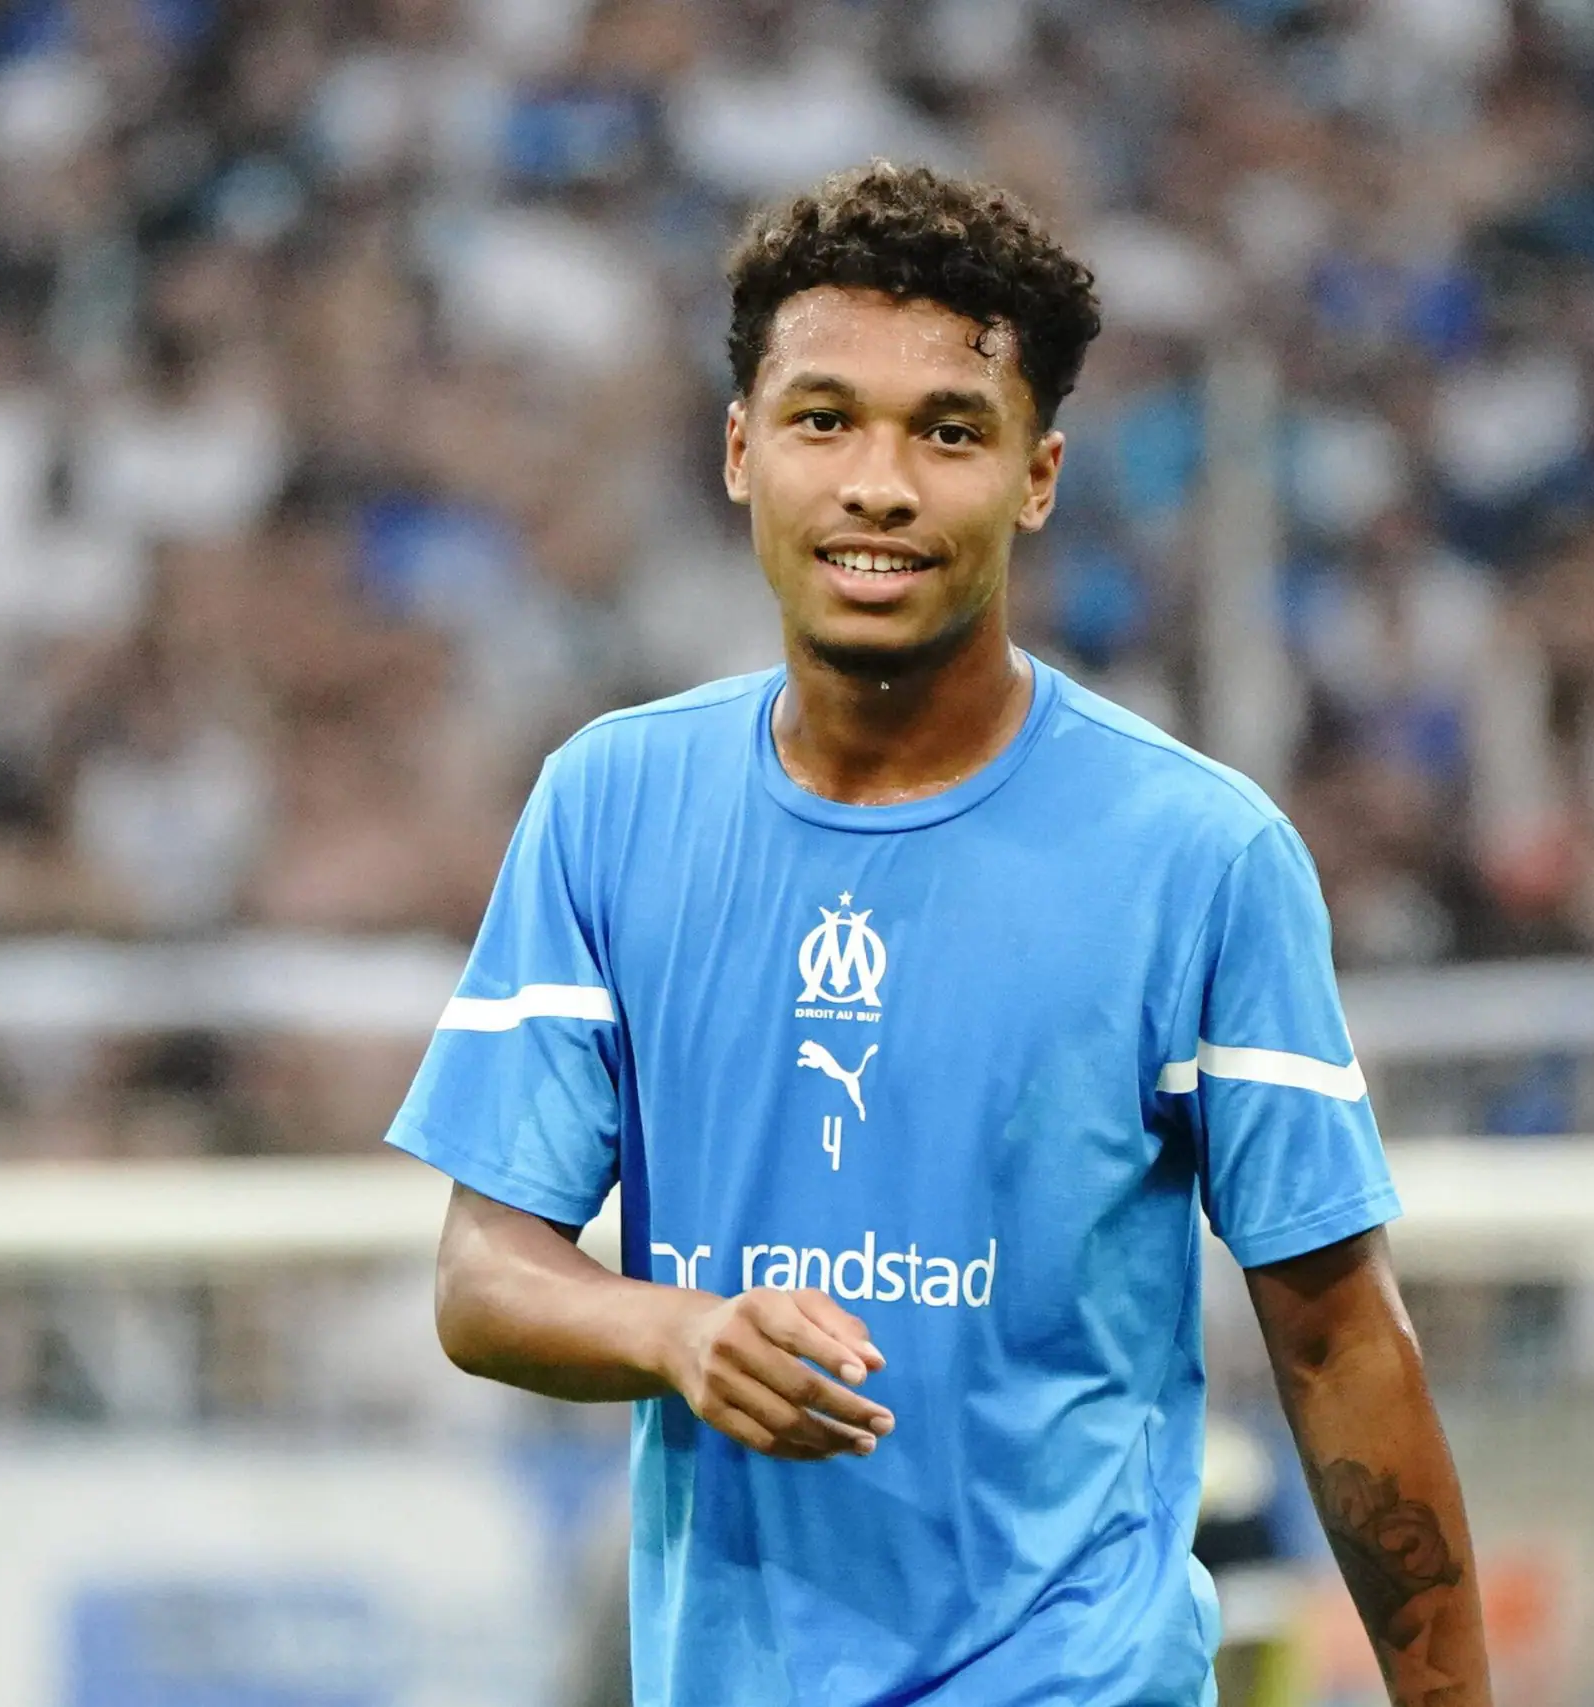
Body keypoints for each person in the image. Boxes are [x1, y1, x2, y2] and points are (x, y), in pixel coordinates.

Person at [388, 161, 1491, 1707]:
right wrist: (678, 1332)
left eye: (949, 432)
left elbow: (1341, 1343)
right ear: (740, 449)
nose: (880, 483)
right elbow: (483, 1273)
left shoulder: (1198, 853)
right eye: (825, 419)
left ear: (1038, 475)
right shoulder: (609, 805)